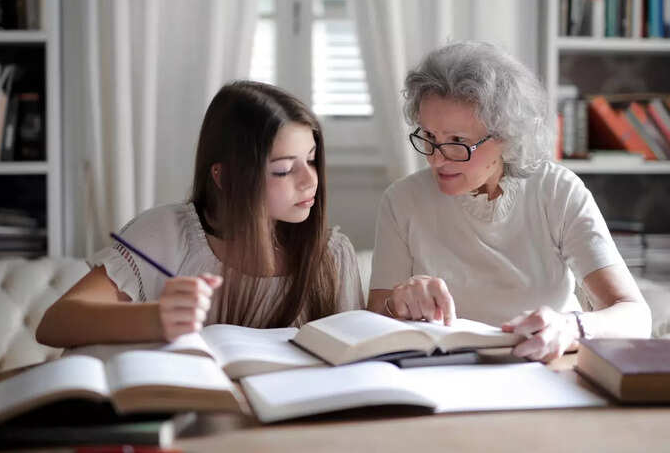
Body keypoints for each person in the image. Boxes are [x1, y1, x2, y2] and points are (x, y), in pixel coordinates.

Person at [368, 41, 651, 362]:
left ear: (505, 136)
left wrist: (570, 327)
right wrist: (398, 303)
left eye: (457, 142)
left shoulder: (556, 191)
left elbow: (635, 316)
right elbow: (372, 320)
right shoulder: (402, 200)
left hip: (548, 369)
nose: (436, 159)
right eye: (429, 137)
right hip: (444, 375)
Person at [37, 81, 364, 347]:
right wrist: (157, 317)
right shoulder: (167, 234)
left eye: (310, 159)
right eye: (282, 169)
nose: (310, 180)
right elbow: (56, 323)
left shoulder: (332, 255)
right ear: (225, 178)